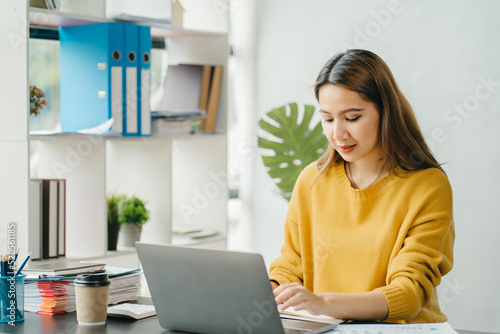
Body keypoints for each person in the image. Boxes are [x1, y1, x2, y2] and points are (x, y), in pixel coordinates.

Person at [269, 49, 455, 323]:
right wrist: (268, 293)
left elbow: (408, 294)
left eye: (352, 118)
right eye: (328, 119)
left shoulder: (427, 185)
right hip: (329, 328)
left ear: (385, 111)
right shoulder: (312, 180)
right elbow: (291, 264)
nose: (338, 133)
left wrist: (323, 302)